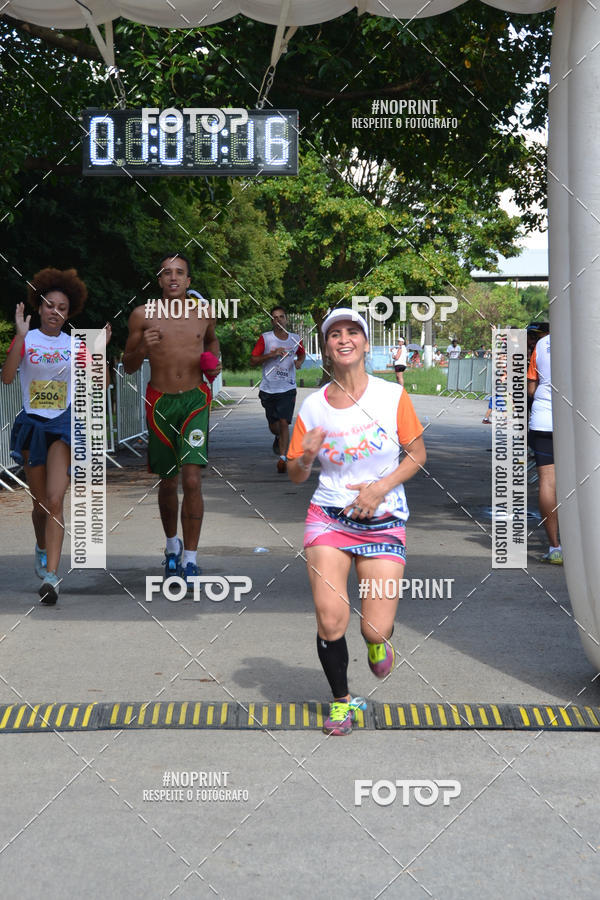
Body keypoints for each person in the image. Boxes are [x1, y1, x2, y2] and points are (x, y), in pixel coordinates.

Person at [287, 308, 426, 736]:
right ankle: (342, 702)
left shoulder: (391, 396)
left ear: (366, 343)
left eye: (352, 333)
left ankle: (376, 642)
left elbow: (417, 456)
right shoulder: (313, 406)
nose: (343, 339)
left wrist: (378, 488)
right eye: (334, 334)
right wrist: (306, 456)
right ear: (325, 347)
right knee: (331, 620)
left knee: (374, 626)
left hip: (383, 519)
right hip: (328, 517)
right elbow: (295, 472)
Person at [2, 267, 105, 604]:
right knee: (40, 504)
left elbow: (99, 384)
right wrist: (19, 335)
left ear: (68, 312)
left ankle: (51, 576)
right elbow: (6, 378)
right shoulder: (28, 339)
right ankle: (41, 545)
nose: (55, 312)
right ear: (39, 305)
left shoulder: (74, 346)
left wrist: (99, 353)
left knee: (56, 500)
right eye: (49, 305)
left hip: (63, 425)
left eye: (62, 308)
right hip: (33, 424)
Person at [123, 252, 221, 585]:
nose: (174, 278)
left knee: (192, 479)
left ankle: (191, 559)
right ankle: (171, 547)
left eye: (180, 272)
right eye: (167, 273)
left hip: (195, 400)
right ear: (160, 280)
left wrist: (214, 363)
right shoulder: (142, 316)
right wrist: (141, 348)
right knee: (168, 480)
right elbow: (129, 364)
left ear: (189, 280)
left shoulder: (204, 313)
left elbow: (211, 342)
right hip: (160, 402)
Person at [250, 306, 305, 474]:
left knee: (284, 422)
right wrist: (271, 354)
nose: (279, 320)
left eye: (281, 317)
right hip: (268, 389)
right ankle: (277, 436)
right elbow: (253, 360)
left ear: (286, 319)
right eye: (275, 317)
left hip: (287, 388)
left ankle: (283, 458)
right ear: (272, 321)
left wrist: (299, 362)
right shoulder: (265, 339)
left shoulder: (295, 339)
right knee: (275, 426)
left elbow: (301, 353)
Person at [527, 331, 562, 564]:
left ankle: (555, 547)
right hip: (577, 422)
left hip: (543, 419)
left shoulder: (542, 343)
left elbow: (531, 387)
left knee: (547, 482)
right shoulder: (587, 334)